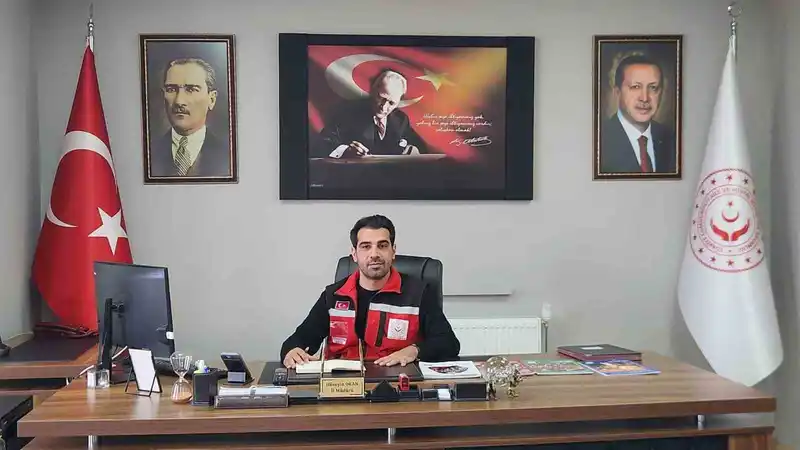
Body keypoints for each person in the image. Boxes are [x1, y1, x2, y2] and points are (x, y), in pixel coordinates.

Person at [280, 215, 460, 368]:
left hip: (397, 384)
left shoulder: (419, 293)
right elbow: (297, 341)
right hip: (341, 386)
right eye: (366, 246)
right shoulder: (333, 296)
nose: (374, 254)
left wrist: (414, 351)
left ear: (393, 251)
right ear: (354, 253)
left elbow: (449, 344)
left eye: (382, 245)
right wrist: (292, 352)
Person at [314, 70, 428, 159]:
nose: (384, 107)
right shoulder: (347, 113)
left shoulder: (401, 119)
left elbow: (420, 147)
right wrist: (347, 150)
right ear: (372, 91)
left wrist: (414, 150)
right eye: (381, 98)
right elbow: (323, 143)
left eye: (391, 103)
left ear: (398, 102)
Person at [149, 57, 230, 177]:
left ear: (211, 99)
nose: (179, 101)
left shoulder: (227, 156)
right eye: (171, 89)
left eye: (191, 89)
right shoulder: (149, 153)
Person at [599, 54, 676, 174]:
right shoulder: (600, 140)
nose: (644, 98)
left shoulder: (671, 139)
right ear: (617, 92)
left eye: (653, 88)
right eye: (635, 87)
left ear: (661, 93)